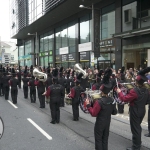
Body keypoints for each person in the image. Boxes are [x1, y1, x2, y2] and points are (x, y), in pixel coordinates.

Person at [117, 67, 150, 150]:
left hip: (135, 110)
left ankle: (136, 146)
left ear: (137, 82)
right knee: (137, 127)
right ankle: (138, 143)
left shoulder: (134, 91)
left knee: (135, 128)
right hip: (142, 109)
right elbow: (147, 101)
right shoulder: (146, 90)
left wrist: (119, 92)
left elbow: (124, 99)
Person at [85, 68, 117, 150]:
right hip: (107, 122)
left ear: (102, 91)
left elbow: (93, 113)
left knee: (98, 139)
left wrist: (88, 105)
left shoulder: (99, 102)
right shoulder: (112, 100)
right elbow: (114, 112)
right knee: (105, 139)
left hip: (100, 122)